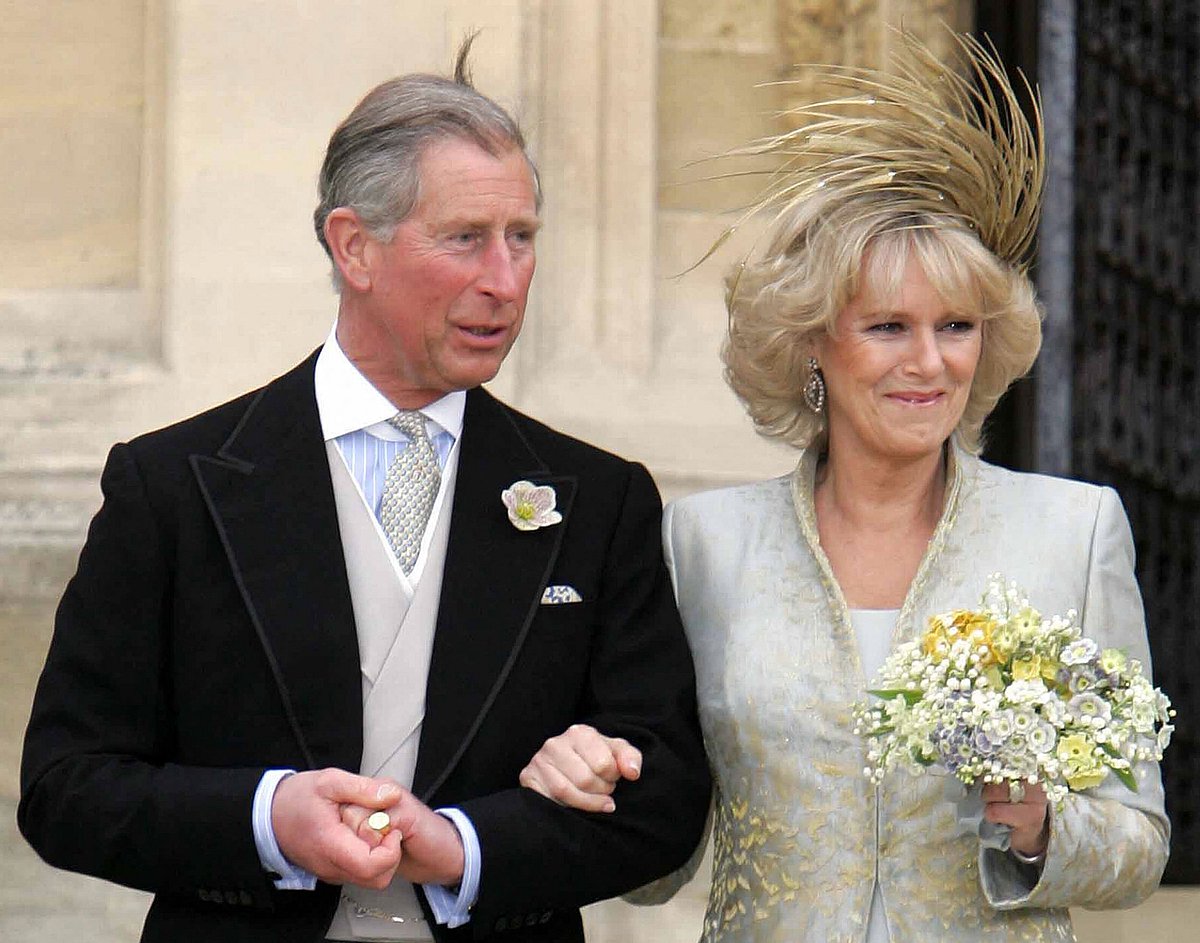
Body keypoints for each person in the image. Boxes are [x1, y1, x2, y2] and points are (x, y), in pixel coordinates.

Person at [18, 40, 710, 943]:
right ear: (354, 247)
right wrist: (268, 819)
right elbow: (65, 786)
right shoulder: (173, 486)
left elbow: (667, 801)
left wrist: (465, 846)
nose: (505, 281)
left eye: (522, 237)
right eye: (466, 237)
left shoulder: (600, 500)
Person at [518, 32, 1170, 941]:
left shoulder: (1073, 528)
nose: (929, 362)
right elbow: (659, 859)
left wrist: (1041, 827)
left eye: (956, 326)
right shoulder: (703, 543)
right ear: (813, 345)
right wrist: (590, 783)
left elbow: (1140, 840)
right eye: (888, 326)